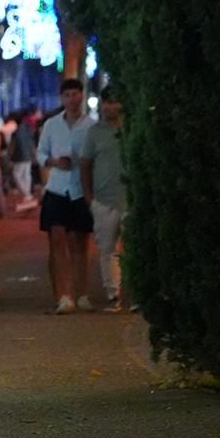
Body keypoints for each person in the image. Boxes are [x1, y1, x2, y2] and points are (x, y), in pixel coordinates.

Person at [37, 79, 97, 313]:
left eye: (76, 94)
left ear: (82, 96)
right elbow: (41, 154)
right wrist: (53, 162)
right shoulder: (52, 125)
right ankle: (63, 295)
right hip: (57, 188)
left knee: (80, 244)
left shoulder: (91, 126)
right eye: (68, 95)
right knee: (57, 241)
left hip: (81, 190)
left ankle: (82, 293)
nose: (72, 99)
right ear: (62, 98)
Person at [81, 88, 128, 312]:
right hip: (103, 200)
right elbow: (85, 166)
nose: (109, 107)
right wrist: (90, 198)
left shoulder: (131, 128)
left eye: (114, 102)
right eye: (105, 103)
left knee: (133, 249)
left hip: (130, 199)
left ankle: (133, 295)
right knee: (107, 250)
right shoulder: (94, 132)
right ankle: (114, 294)